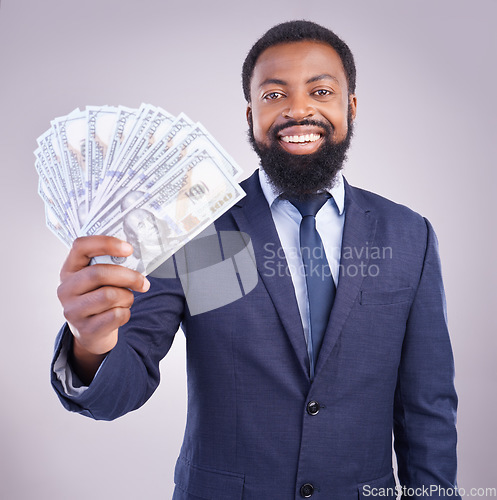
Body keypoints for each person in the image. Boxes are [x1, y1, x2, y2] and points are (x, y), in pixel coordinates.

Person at [52, 20, 460, 499]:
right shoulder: (194, 226)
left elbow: (426, 408)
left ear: (350, 107)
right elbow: (122, 386)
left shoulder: (409, 234)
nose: (299, 109)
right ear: (250, 116)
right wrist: (92, 343)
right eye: (274, 95)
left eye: (321, 90)